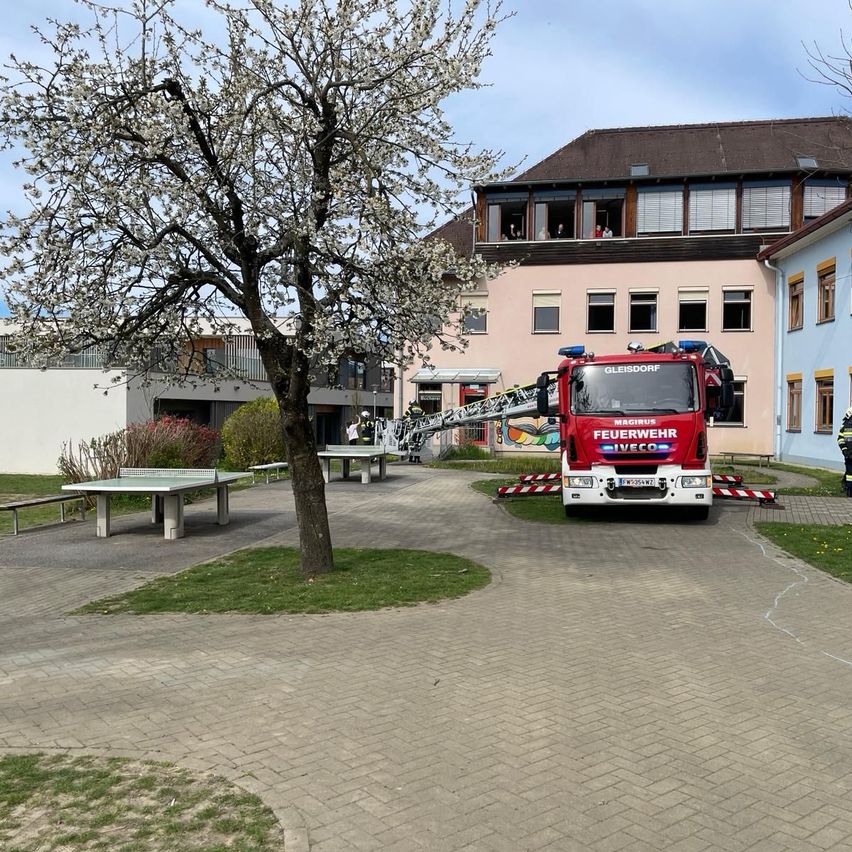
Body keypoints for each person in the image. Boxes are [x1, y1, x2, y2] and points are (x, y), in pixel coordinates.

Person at [838, 406, 852, 496]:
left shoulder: (845, 425)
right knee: (850, 473)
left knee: (849, 472)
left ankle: (846, 486)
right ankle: (849, 489)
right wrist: (845, 451)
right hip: (849, 455)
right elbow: (840, 439)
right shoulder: (845, 426)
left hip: (849, 454)